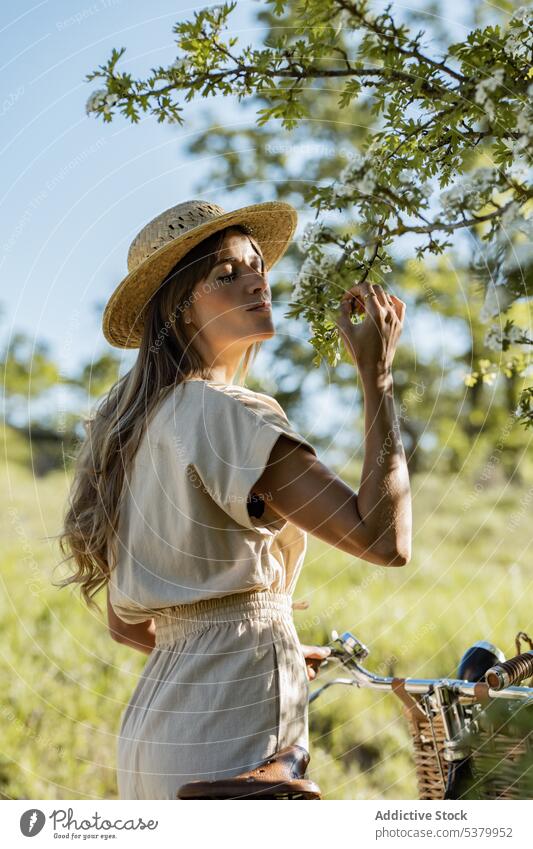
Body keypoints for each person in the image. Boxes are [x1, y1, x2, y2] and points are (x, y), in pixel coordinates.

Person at [56, 198, 411, 799]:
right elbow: (384, 539)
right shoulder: (230, 413)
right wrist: (376, 376)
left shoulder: (131, 429)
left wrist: (264, 643)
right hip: (233, 732)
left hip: (155, 735)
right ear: (180, 307)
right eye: (225, 274)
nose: (255, 280)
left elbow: (126, 623)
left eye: (257, 268)